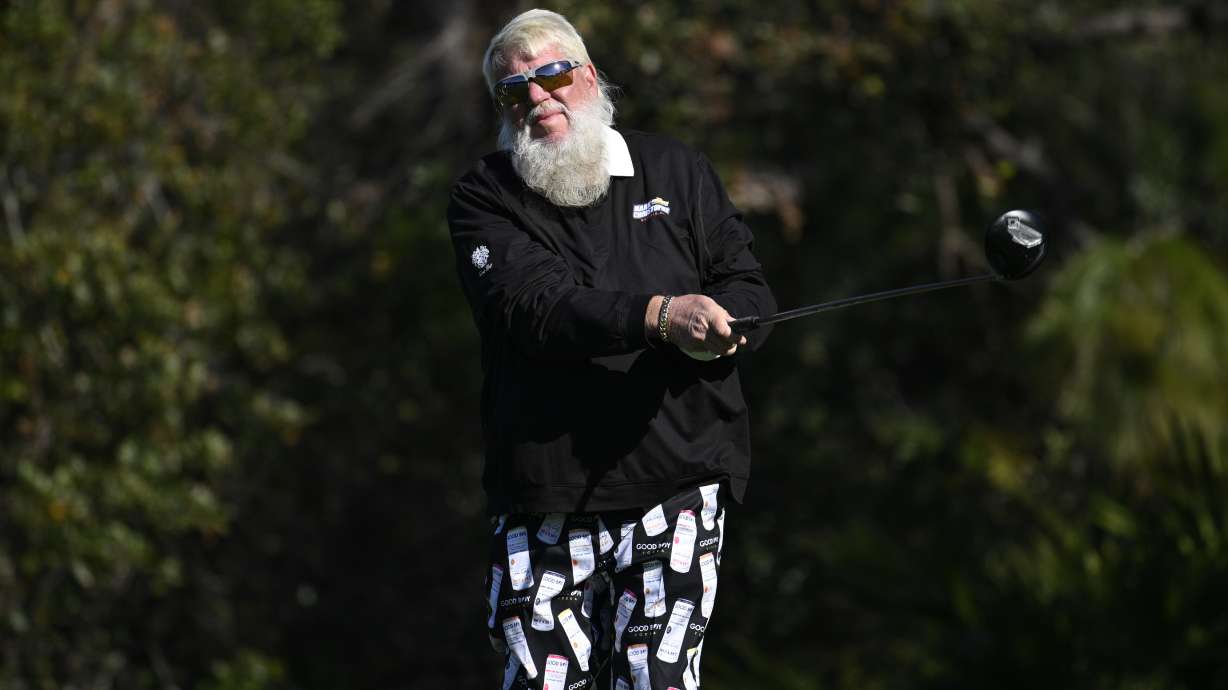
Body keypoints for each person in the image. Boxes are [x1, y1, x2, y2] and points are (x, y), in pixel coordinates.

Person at [448, 9, 776, 689]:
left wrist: (729, 323)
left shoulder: (677, 171)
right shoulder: (485, 195)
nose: (538, 99)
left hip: (677, 482)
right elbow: (537, 308)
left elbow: (746, 285)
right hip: (545, 494)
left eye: (552, 76)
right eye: (515, 91)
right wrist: (662, 316)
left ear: (587, 76)